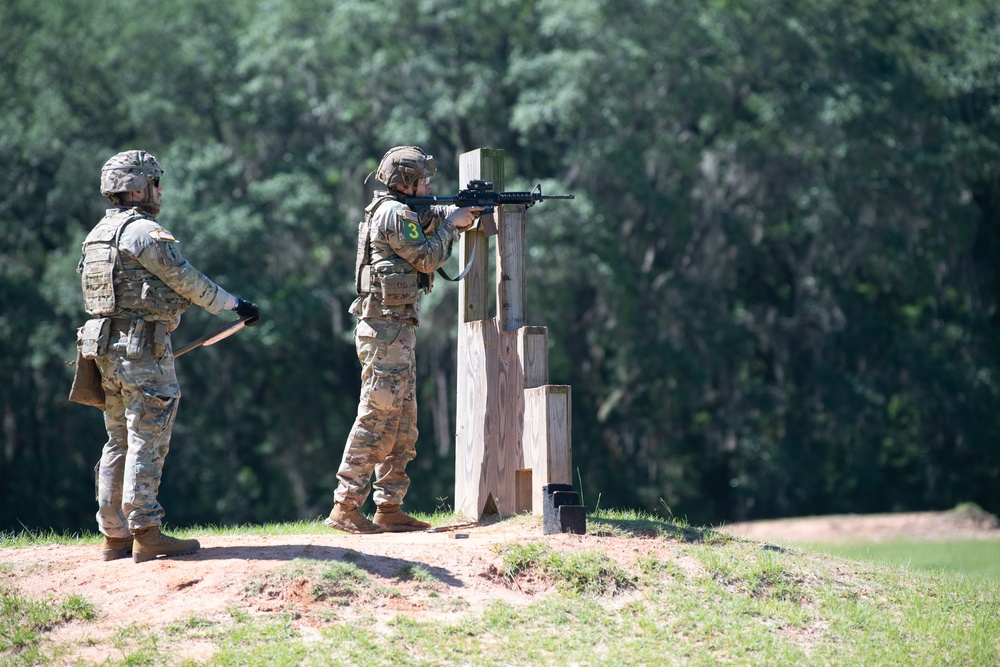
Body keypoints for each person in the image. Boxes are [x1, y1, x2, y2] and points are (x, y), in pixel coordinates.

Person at [77, 149, 261, 562]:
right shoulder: (143, 233)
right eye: (156, 183)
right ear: (139, 188)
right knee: (148, 436)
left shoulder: (96, 235)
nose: (160, 191)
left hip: (105, 350)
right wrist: (237, 306)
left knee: (118, 439)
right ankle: (146, 530)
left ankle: (114, 535)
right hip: (143, 350)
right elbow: (188, 280)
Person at [325, 146, 480, 534]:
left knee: (404, 422)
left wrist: (460, 213)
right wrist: (452, 226)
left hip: (397, 329)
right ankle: (345, 507)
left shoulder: (405, 209)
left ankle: (389, 506)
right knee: (377, 416)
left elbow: (431, 217)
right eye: (424, 180)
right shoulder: (394, 214)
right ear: (406, 182)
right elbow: (427, 257)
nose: (429, 186)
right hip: (384, 330)